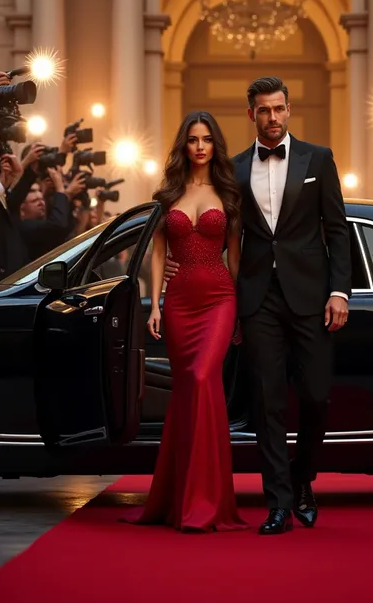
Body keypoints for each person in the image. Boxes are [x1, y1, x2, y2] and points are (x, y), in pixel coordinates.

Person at [166, 76, 351, 535]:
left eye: (280, 109)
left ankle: (302, 477)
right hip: (257, 299)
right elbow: (211, 226)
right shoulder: (236, 169)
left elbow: (337, 230)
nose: (273, 118)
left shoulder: (319, 159)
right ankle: (278, 504)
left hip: (311, 298)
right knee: (267, 404)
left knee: (315, 396)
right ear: (251, 114)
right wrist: (177, 264)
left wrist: (339, 291)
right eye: (264, 111)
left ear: (289, 109)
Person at [122, 111, 248, 533]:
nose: (199, 146)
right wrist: (155, 304)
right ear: (184, 145)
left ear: (215, 145)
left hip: (218, 299)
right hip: (178, 304)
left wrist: (240, 311)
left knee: (199, 378)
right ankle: (182, 498)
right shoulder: (168, 194)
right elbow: (158, 252)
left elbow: (235, 258)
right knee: (189, 390)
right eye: (193, 139)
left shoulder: (229, 195)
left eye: (207, 139)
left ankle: (206, 500)